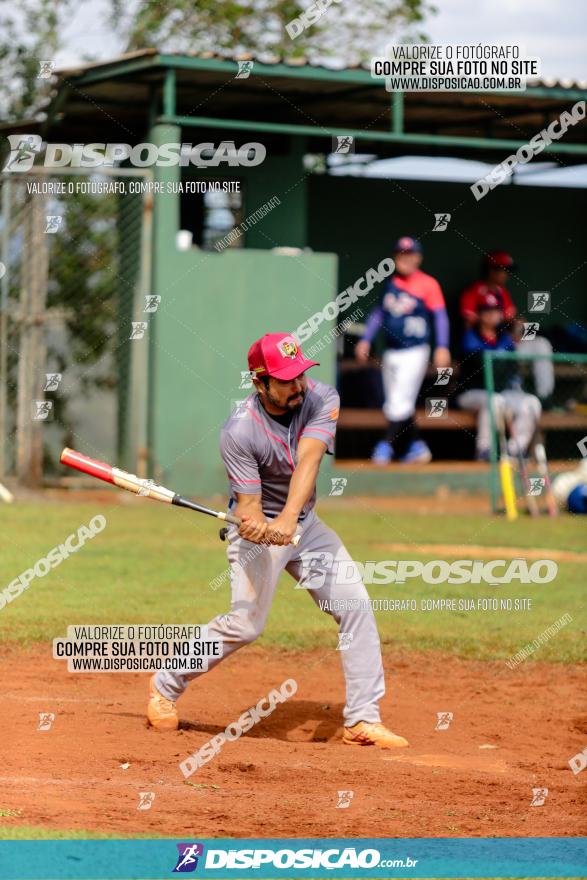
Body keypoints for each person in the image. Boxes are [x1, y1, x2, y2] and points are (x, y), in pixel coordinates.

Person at [147, 332, 409, 750]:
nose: (298, 386)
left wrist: (289, 518)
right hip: (258, 532)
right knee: (246, 625)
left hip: (305, 523)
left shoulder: (323, 398)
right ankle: (164, 685)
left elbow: (309, 459)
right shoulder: (239, 430)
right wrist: (253, 524)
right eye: (285, 380)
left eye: (300, 374)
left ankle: (363, 720)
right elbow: (248, 505)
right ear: (259, 382)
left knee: (355, 606)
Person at [355, 236, 451, 464]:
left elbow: (440, 317)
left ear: (418, 258)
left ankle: (385, 445)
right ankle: (417, 446)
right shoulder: (390, 284)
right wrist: (366, 339)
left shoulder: (428, 284)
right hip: (391, 350)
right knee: (400, 402)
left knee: (398, 401)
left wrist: (443, 347)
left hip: (415, 350)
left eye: (409, 254)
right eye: (400, 254)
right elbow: (378, 313)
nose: (404, 258)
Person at [460, 251, 555, 407]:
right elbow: (468, 326)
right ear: (491, 270)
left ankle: (545, 396)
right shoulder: (473, 291)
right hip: (484, 352)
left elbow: (513, 321)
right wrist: (492, 321)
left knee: (541, 344)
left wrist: (517, 327)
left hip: (507, 346)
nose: (507, 275)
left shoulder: (502, 293)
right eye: (504, 270)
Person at [457, 292, 541, 460]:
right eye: (487, 310)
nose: (492, 314)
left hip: (502, 392)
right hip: (472, 393)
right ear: (479, 314)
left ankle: (514, 451)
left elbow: (511, 369)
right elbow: (480, 365)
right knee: (495, 401)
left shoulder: (505, 339)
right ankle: (485, 450)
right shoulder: (470, 337)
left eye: (495, 310)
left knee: (531, 403)